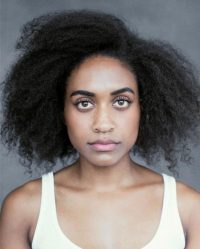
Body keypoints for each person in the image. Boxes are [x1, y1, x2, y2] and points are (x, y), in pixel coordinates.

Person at [0, 9, 200, 249]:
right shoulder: (25, 207)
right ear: (61, 111)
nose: (103, 124)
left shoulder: (188, 210)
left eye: (121, 102)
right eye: (84, 103)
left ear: (144, 108)